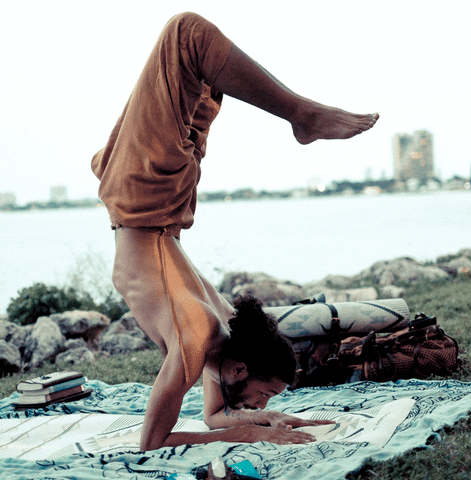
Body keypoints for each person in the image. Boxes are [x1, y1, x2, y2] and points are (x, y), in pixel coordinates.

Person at [91, 12, 379, 451]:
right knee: (188, 39)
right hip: (147, 200)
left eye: (267, 399)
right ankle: (301, 114)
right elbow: (160, 440)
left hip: (154, 206)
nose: (259, 403)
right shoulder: (205, 338)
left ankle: (300, 115)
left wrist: (266, 419)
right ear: (241, 370)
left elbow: (206, 420)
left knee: (201, 81)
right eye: (264, 395)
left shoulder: (216, 343)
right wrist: (247, 430)